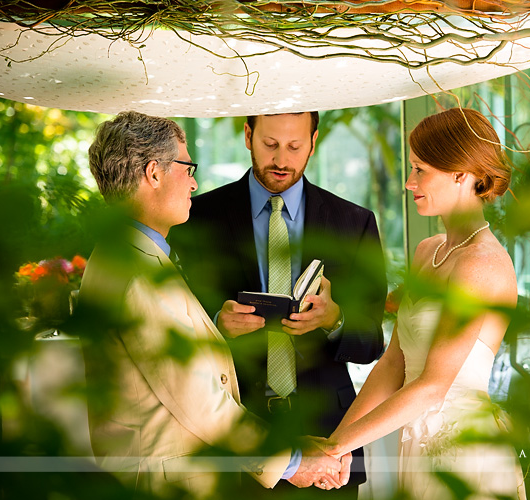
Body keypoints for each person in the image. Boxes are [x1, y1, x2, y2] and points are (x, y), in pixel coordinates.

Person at [77, 110, 345, 498]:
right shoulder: (135, 273)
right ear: (154, 173)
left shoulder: (131, 258)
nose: (194, 183)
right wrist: (292, 462)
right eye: (187, 168)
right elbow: (198, 400)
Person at [174, 111, 387, 497]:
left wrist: (335, 319)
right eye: (270, 145)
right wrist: (217, 326)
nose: (282, 160)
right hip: (236, 436)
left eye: (295, 146)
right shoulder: (194, 218)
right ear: (248, 135)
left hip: (329, 440)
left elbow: (373, 342)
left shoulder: (354, 222)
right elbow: (172, 331)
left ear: (314, 141)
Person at [317, 108, 527, 499]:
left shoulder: (480, 264)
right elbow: (393, 364)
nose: (409, 182)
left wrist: (332, 449)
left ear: (461, 174)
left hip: (464, 453)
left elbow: (433, 387)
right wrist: (340, 441)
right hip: (415, 446)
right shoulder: (427, 251)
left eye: (420, 170)